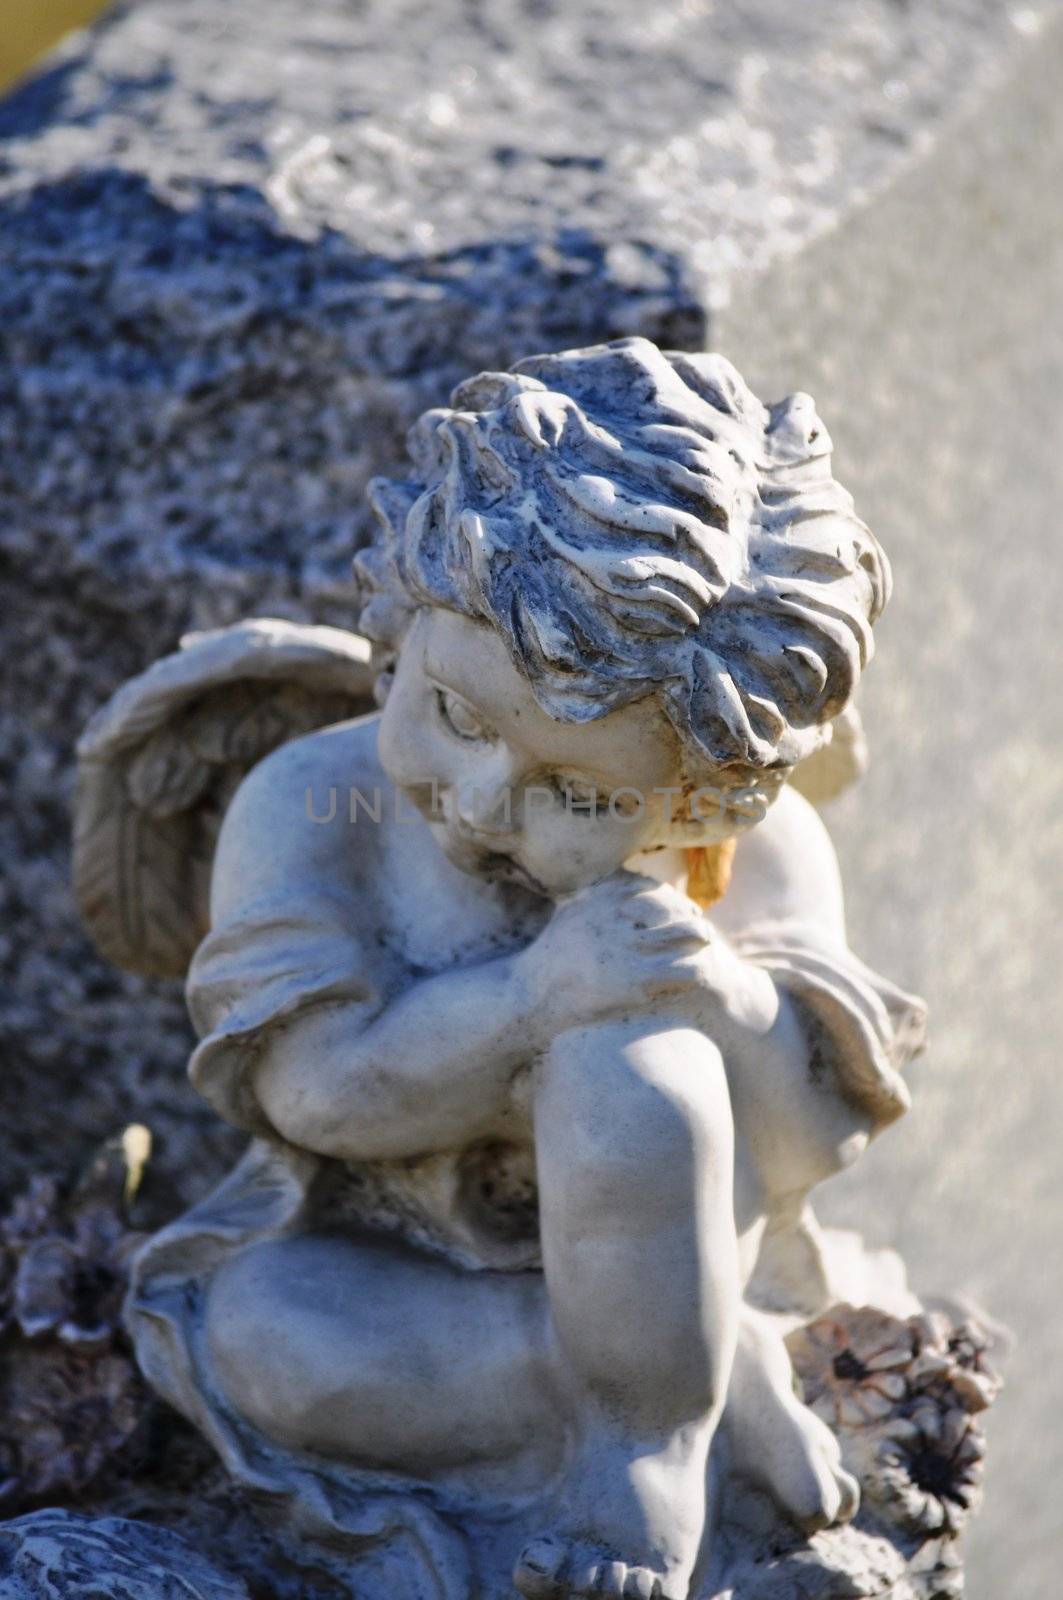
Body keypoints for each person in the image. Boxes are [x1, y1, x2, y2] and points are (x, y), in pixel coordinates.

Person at [129, 339, 924, 1600]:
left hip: (677, 1238)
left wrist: (718, 997)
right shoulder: (308, 802)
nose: (483, 802)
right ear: (398, 619)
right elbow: (317, 1097)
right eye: (453, 714)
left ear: (696, 804)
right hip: (403, 1274)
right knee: (265, 1336)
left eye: (577, 792)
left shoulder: (751, 850)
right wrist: (524, 998)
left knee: (634, 1056)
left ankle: (644, 1450)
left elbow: (806, 1136)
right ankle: (696, 1369)